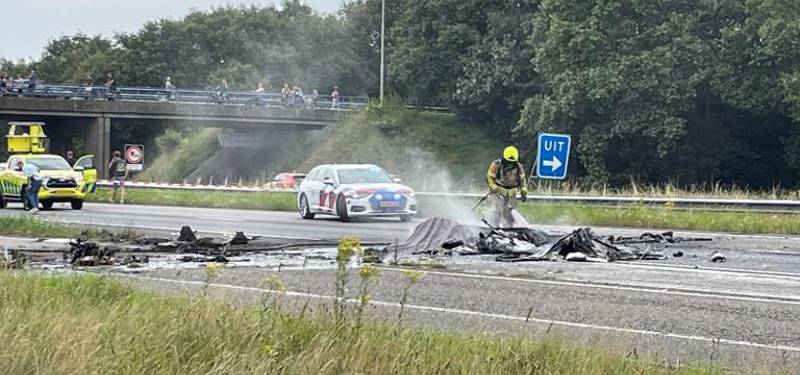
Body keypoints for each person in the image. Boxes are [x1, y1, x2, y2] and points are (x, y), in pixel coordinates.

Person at [485, 146, 528, 227]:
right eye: (508, 162)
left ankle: (510, 227)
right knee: (497, 210)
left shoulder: (519, 167)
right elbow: (490, 177)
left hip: (512, 192)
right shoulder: (496, 164)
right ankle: (494, 226)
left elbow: (522, 179)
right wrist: (493, 187)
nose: (510, 164)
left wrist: (524, 191)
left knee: (509, 210)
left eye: (512, 162)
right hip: (498, 191)